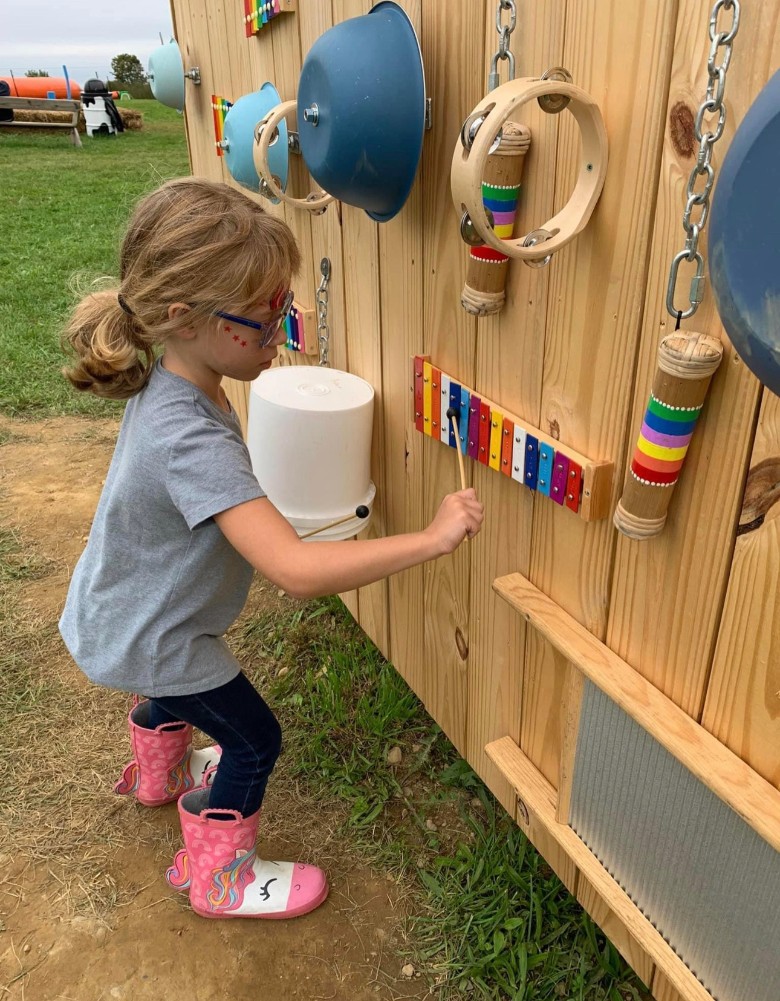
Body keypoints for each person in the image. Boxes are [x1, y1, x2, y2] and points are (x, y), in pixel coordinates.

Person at [58, 177, 484, 922]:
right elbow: (294, 570)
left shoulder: (174, 380)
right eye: (262, 319)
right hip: (154, 633)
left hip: (119, 613)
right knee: (254, 740)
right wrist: (431, 537)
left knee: (177, 688)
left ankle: (159, 778)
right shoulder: (189, 435)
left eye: (282, 309)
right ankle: (221, 880)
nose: (279, 333)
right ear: (181, 316)